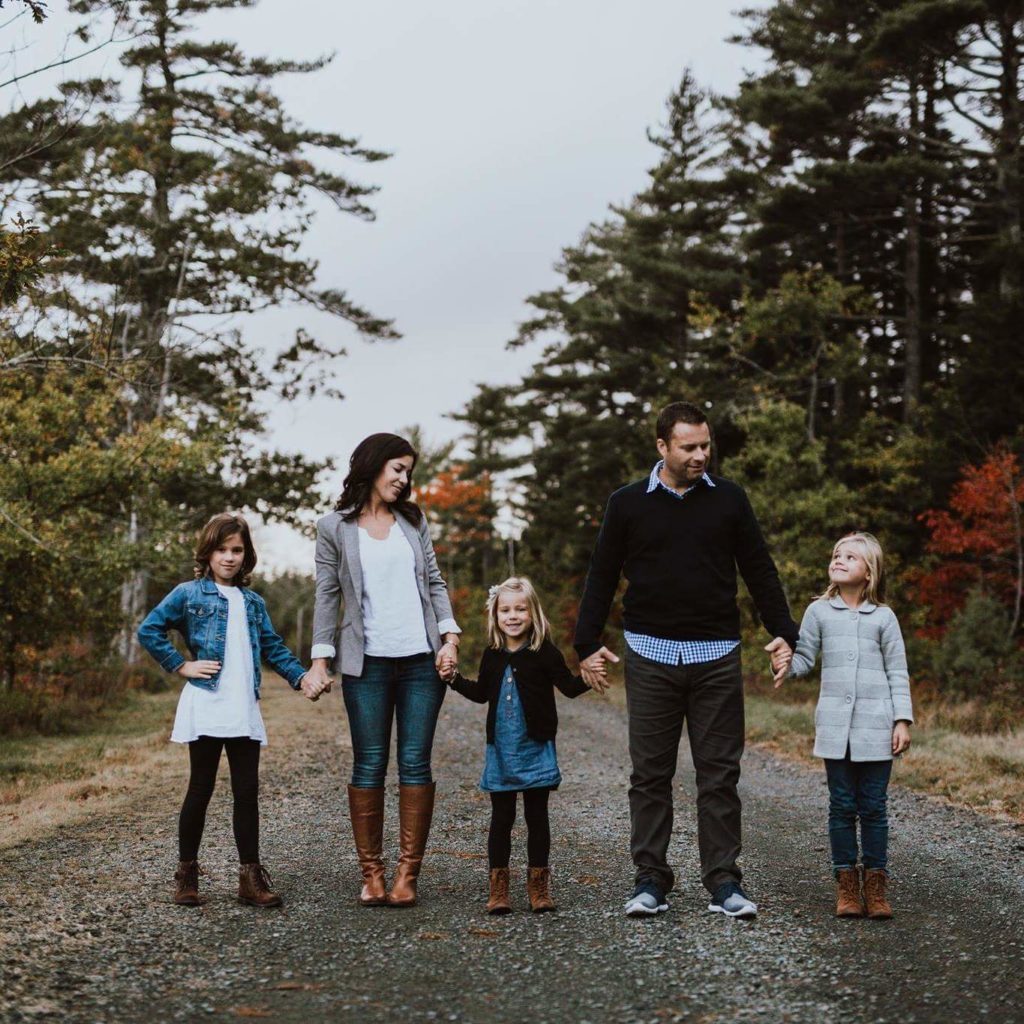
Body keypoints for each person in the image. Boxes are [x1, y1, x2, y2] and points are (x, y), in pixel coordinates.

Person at [574, 401, 799, 919]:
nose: (701, 455)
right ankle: (651, 879)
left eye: (705, 446)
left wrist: (784, 632)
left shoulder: (730, 501)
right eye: (689, 447)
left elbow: (759, 569)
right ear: (662, 447)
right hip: (650, 656)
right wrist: (585, 643)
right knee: (650, 775)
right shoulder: (627, 503)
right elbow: (602, 573)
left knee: (719, 775)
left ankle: (724, 882)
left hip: (716, 656)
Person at [304, 432, 461, 908]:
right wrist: (320, 658)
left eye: (408, 471)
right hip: (366, 664)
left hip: (421, 662)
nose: (404, 478)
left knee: (415, 763)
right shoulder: (333, 526)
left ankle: (406, 875)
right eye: (397, 468)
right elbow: (327, 593)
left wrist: (449, 638)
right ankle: (371, 873)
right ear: (372, 466)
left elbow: (434, 581)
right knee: (369, 763)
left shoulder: (413, 521)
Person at [137, 512, 312, 908]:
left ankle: (250, 878)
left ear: (246, 555)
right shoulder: (189, 593)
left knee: (246, 791)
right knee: (200, 787)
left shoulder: (253, 602)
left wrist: (301, 678)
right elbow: (149, 628)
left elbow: (272, 647)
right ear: (208, 553)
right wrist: (181, 665)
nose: (229, 557)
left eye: (237, 550)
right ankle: (187, 876)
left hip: (242, 705)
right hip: (208, 701)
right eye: (221, 550)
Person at [440, 577, 605, 914]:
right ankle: (498, 889)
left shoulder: (544, 653)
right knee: (501, 817)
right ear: (495, 615)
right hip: (501, 748)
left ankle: (538, 887)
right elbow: (481, 693)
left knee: (536, 816)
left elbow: (569, 687)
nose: (512, 616)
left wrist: (590, 674)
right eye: (505, 610)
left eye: (520, 609)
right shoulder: (492, 654)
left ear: (532, 614)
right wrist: (453, 680)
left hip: (535, 746)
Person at [775, 532, 912, 920]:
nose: (839, 560)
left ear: (869, 573)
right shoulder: (818, 611)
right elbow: (803, 660)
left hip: (877, 727)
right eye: (836, 554)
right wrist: (783, 660)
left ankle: (876, 887)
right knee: (841, 807)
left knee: (873, 808)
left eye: (850, 557)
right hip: (835, 729)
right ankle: (847, 886)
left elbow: (897, 672)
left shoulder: (884, 617)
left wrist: (902, 719)